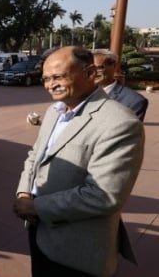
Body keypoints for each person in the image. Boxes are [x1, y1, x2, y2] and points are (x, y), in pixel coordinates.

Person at [14, 46, 144, 277]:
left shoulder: (120, 123)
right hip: (39, 230)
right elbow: (35, 155)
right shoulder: (55, 111)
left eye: (58, 77)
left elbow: (103, 196)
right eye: (45, 79)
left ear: (90, 73)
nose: (50, 85)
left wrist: (35, 207)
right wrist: (24, 193)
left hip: (76, 249)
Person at [93, 49, 148, 121]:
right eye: (89, 68)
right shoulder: (79, 93)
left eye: (99, 68)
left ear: (114, 66)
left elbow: (129, 130)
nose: (93, 72)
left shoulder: (133, 101)